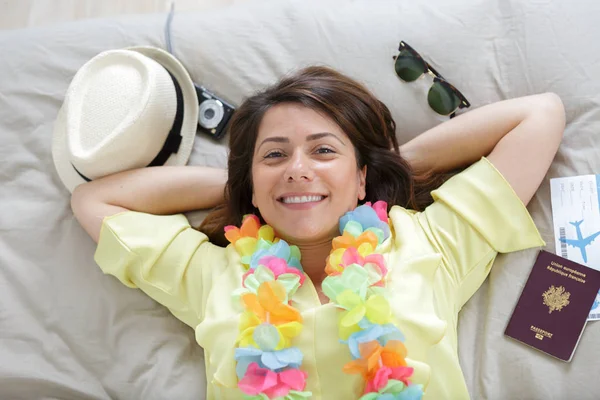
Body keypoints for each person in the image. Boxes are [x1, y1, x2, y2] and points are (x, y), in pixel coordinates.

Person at [71, 66, 565, 399]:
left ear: (361, 176)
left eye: (323, 150)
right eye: (275, 154)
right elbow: (94, 199)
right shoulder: (211, 274)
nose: (298, 169)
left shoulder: (431, 242)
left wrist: (378, 169)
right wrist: (246, 186)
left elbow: (539, 115)